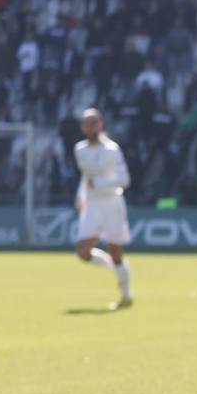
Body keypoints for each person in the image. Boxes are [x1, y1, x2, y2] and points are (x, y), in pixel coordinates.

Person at [73, 108, 133, 309]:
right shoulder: (79, 149)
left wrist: (100, 184)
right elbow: (86, 177)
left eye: (93, 123)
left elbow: (124, 180)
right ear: (82, 127)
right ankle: (110, 266)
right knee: (82, 251)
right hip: (92, 204)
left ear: (100, 125)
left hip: (111, 202)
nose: (90, 127)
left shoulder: (111, 149)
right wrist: (80, 195)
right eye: (86, 123)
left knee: (116, 249)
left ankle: (126, 296)